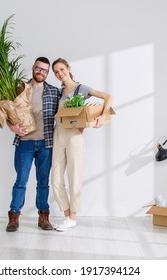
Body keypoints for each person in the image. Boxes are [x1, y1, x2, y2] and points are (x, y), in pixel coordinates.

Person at [50, 58, 113, 231]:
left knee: (74, 177)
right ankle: (67, 214)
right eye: (56, 72)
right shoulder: (60, 91)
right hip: (58, 134)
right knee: (55, 179)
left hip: (74, 137)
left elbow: (108, 97)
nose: (59, 74)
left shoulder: (81, 89)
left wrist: (102, 116)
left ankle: (72, 217)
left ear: (68, 68)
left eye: (61, 69)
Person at [5, 57, 61, 232]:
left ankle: (43, 216)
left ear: (48, 73)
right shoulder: (20, 89)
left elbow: (65, 113)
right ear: (33, 68)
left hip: (46, 144)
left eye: (44, 70)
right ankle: (14, 217)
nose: (41, 72)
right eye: (38, 68)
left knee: (43, 182)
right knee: (21, 181)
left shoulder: (54, 92)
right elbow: (7, 111)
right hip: (24, 144)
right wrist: (12, 127)